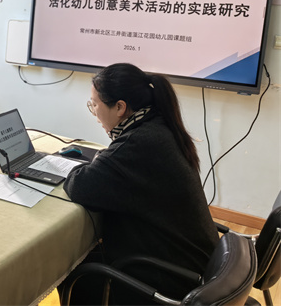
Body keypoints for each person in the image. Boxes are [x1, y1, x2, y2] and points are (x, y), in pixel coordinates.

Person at [60, 63, 218, 305]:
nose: (94, 113)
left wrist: (99, 160)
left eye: (95, 105)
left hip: (174, 283)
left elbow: (79, 186)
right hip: (196, 268)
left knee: (72, 266)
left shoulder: (138, 144)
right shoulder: (159, 126)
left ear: (120, 107)